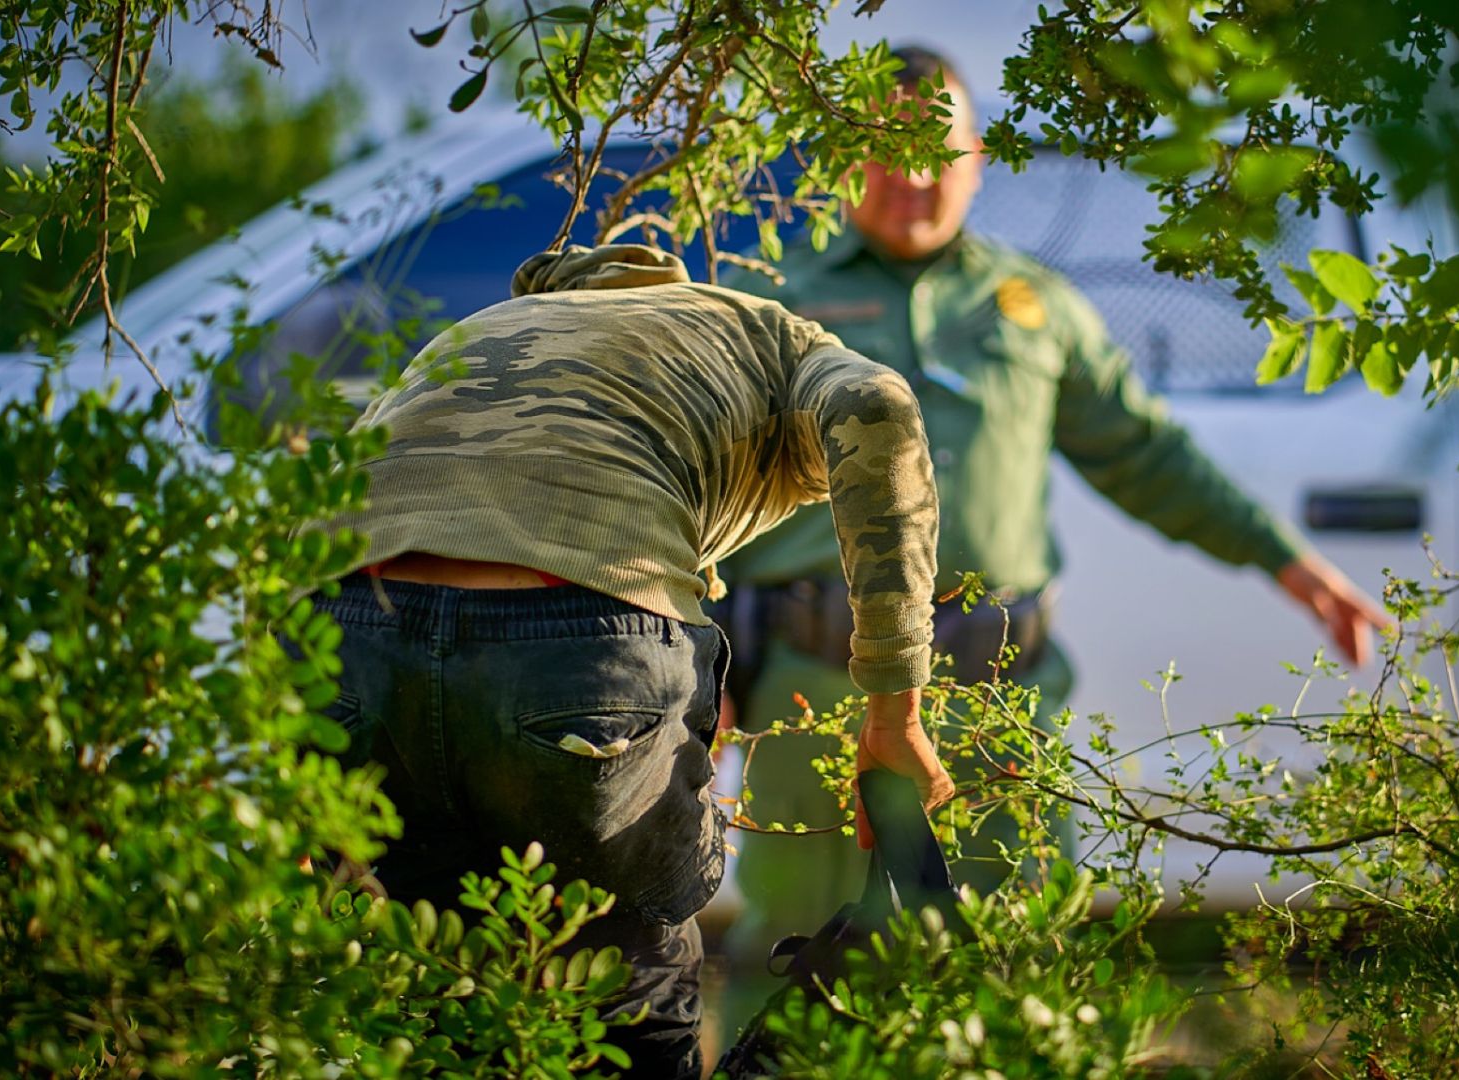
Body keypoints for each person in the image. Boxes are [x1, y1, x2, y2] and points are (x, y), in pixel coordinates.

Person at [716, 46, 1389, 967]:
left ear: (977, 157)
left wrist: (1291, 563)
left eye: (936, 148)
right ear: (841, 154)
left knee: (1017, 966)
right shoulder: (769, 302)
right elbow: (699, 493)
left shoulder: (1033, 304)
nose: (914, 175)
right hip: (818, 689)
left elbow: (1145, 455)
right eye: (884, 146)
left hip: (1001, 697)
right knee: (799, 967)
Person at [313, 243, 953, 1079]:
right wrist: (893, 711)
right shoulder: (764, 333)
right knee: (625, 1021)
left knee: (440, 1012)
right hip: (567, 644)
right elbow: (876, 402)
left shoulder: (481, 331)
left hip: (345, 637)